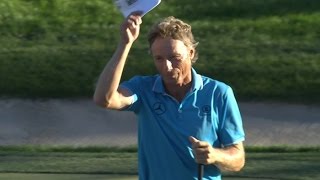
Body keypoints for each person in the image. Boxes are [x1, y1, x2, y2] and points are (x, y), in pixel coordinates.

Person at [93, 13, 245, 180]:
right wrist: (125, 44)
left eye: (175, 58)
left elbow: (238, 159)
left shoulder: (219, 93)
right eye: (159, 58)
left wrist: (216, 155)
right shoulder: (143, 89)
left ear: (191, 53)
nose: (167, 66)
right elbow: (104, 99)